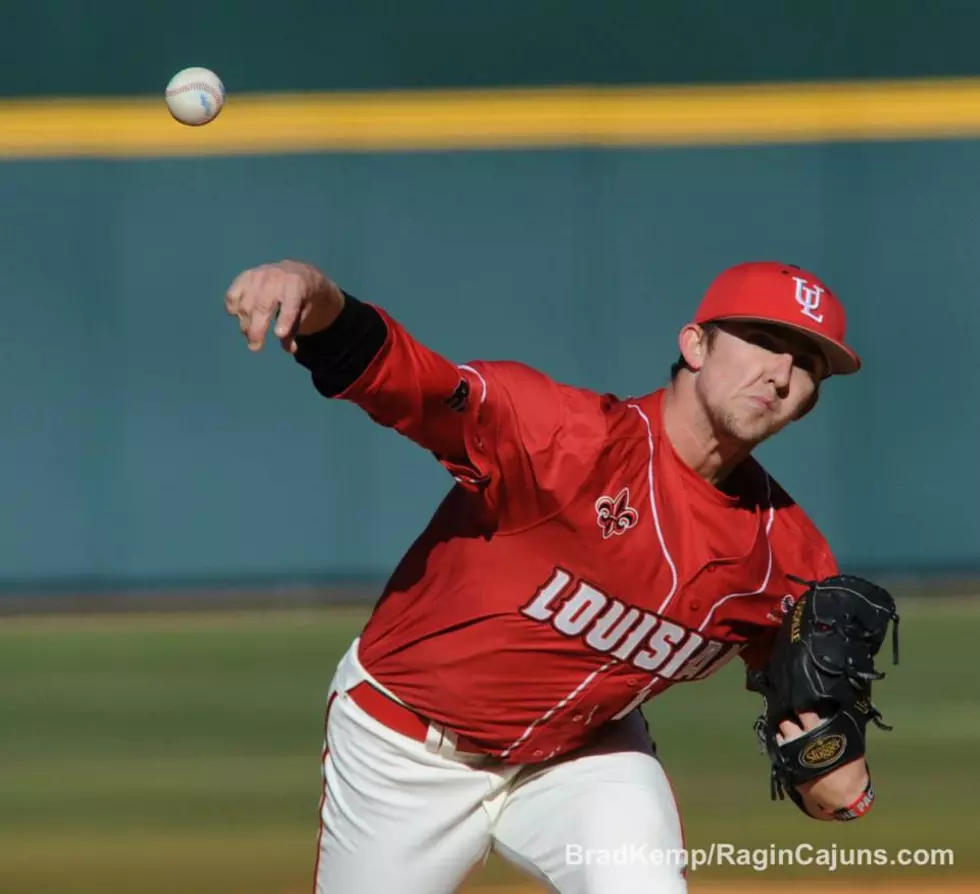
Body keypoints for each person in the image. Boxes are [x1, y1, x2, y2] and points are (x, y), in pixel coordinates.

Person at [224, 259, 892, 894]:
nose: (780, 373)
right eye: (763, 340)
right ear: (695, 345)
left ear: (807, 403)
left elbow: (825, 766)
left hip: (581, 759)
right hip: (404, 749)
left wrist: (833, 773)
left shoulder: (789, 557)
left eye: (806, 365)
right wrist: (319, 302)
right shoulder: (565, 439)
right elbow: (410, 382)